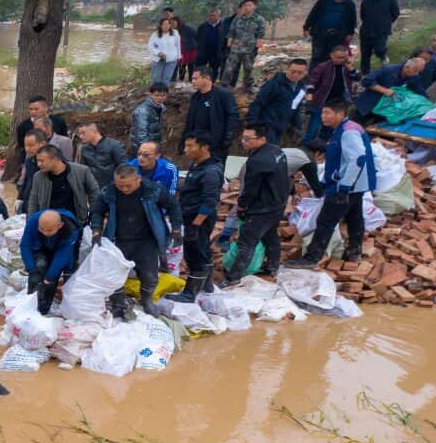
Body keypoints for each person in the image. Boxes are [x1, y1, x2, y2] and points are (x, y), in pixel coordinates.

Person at [286, 100, 376, 267]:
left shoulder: (348, 132)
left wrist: (344, 187)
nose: (323, 117)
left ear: (340, 114)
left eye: (327, 113)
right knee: (354, 218)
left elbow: (357, 158)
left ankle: (311, 258)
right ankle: (354, 253)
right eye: (322, 113)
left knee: (325, 221)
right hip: (356, 185)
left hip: (347, 186)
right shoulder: (345, 129)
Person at [90, 165, 182, 318]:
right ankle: (118, 303)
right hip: (118, 240)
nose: (124, 189)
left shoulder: (153, 190)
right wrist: (97, 231)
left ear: (138, 179)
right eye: (120, 186)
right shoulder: (109, 192)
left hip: (146, 240)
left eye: (128, 185)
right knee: (115, 275)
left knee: (149, 276)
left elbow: (173, 206)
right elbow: (98, 212)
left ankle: (147, 301)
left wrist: (176, 229)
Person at [221, 124, 289, 286]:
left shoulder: (257, 161)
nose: (244, 142)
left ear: (262, 138)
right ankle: (272, 266)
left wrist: (242, 207)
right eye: (243, 138)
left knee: (246, 243)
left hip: (261, 209)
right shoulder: (277, 151)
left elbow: (250, 190)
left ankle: (233, 277)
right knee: (270, 236)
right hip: (277, 204)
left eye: (248, 139)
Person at [166, 131, 223, 303]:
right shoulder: (198, 166)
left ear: (204, 147)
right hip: (190, 217)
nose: (186, 150)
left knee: (195, 254)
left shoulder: (210, 172)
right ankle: (207, 286)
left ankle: (190, 293)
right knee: (203, 250)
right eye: (186, 145)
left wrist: (195, 226)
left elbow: (210, 202)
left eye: (190, 146)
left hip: (198, 219)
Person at [21, 209, 81, 313]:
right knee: (39, 268)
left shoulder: (70, 229)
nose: (45, 232)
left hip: (61, 247)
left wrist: (49, 277)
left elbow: (62, 256)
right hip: (41, 246)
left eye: (49, 230)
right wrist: (31, 269)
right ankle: (30, 308)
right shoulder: (33, 221)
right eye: (42, 229)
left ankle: (44, 309)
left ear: (60, 225)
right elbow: (25, 245)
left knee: (52, 280)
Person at [25, 144, 100, 219]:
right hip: (49, 223)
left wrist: (95, 215)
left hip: (75, 220)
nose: (39, 164)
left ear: (55, 159)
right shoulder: (38, 177)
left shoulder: (81, 171)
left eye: (42, 161)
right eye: (37, 161)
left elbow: (94, 191)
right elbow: (33, 201)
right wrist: (31, 221)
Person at [181, 67, 239, 160]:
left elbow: (233, 115)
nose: (193, 81)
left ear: (207, 78)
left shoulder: (223, 95)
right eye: (192, 78)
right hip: (197, 144)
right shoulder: (195, 97)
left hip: (216, 144)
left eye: (196, 78)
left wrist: (228, 137)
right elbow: (190, 120)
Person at [246, 58, 308, 142]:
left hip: (281, 127)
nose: (296, 75)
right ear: (287, 69)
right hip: (267, 126)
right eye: (293, 71)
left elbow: (295, 107)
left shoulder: (300, 88)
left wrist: (298, 127)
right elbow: (257, 103)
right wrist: (251, 125)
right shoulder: (274, 84)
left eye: (299, 73)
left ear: (304, 73)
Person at [303, 44, 355, 145]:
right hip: (321, 103)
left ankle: (323, 148)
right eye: (339, 57)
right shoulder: (323, 67)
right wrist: (309, 99)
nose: (342, 60)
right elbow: (310, 83)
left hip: (338, 104)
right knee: (313, 128)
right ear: (332, 55)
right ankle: (306, 149)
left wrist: (351, 69)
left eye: (344, 57)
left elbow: (358, 77)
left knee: (331, 128)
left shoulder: (346, 68)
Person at [355, 58, 427, 121]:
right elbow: (366, 81)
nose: (416, 74)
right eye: (415, 71)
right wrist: (384, 90)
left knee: (381, 129)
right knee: (355, 126)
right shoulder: (389, 70)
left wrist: (427, 104)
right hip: (370, 104)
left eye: (418, 72)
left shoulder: (414, 76)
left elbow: (419, 90)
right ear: (407, 66)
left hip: (387, 109)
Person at [304, 0, 357, 71]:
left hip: (338, 35)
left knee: (333, 56)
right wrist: (306, 27)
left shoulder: (349, 4)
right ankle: (313, 77)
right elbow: (313, 14)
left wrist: (350, 33)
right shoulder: (323, 1)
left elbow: (352, 20)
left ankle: (330, 76)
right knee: (317, 56)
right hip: (320, 33)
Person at [358, 0, 400, 73]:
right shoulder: (366, 1)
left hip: (381, 31)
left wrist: (386, 22)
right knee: (365, 54)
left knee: (380, 49)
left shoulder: (389, 0)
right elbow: (363, 15)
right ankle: (365, 74)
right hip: (366, 31)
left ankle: (383, 58)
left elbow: (395, 13)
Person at [224, 0, 266, 92]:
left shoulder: (259, 19)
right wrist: (229, 45)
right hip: (236, 48)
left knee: (248, 68)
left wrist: (257, 47)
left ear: (255, 7)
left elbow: (260, 34)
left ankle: (247, 86)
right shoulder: (238, 18)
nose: (247, 7)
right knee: (229, 67)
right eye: (245, 5)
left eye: (250, 5)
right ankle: (225, 85)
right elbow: (231, 31)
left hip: (249, 49)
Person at [14, 94, 68, 158]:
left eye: (36, 109)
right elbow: (22, 145)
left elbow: (64, 139)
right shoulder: (23, 126)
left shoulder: (59, 121)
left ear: (46, 108)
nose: (33, 112)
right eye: (31, 109)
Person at [76, 122, 125, 189]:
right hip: (92, 187)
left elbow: (124, 167)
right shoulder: (84, 148)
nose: (81, 136)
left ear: (94, 132)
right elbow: (83, 168)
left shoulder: (115, 145)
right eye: (80, 134)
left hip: (112, 186)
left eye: (83, 133)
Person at [129, 83, 168, 156]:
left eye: (163, 95)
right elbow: (141, 135)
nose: (160, 98)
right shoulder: (143, 111)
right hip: (142, 151)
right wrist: (148, 153)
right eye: (156, 95)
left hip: (152, 147)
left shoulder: (159, 108)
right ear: (150, 95)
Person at [15, 129, 46, 213]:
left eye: (31, 145)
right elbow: (26, 181)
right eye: (26, 146)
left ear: (42, 144)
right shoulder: (29, 161)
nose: (27, 149)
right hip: (28, 201)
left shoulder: (51, 162)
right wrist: (19, 198)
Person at [148, 17, 181, 86]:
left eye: (168, 24)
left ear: (170, 25)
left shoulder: (175, 33)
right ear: (160, 25)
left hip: (171, 59)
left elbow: (178, 45)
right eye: (164, 24)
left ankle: (164, 93)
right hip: (158, 59)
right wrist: (158, 53)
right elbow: (150, 46)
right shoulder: (155, 34)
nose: (166, 26)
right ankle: (155, 92)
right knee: (156, 78)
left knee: (167, 77)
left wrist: (178, 56)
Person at [196, 8, 225, 80]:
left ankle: (212, 83)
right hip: (204, 51)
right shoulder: (202, 26)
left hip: (216, 52)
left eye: (214, 15)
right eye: (210, 15)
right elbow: (198, 38)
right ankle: (199, 81)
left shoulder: (223, 26)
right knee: (200, 68)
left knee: (214, 69)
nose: (211, 17)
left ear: (219, 16)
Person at [174, 17, 197, 83]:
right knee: (181, 67)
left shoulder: (188, 28)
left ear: (178, 22)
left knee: (191, 66)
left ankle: (191, 80)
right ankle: (181, 80)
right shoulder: (174, 30)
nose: (172, 24)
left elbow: (197, 36)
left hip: (190, 50)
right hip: (180, 51)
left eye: (174, 22)